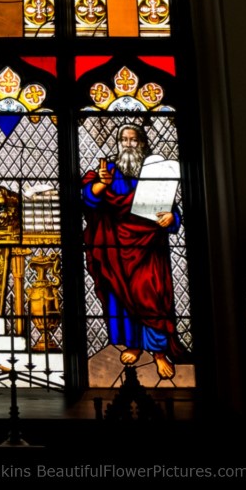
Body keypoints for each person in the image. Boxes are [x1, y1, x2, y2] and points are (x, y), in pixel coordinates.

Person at [82, 124, 187, 380]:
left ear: (142, 144)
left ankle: (159, 352)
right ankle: (134, 345)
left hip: (150, 247)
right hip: (115, 248)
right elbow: (86, 197)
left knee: (152, 295)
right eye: (124, 140)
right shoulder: (109, 172)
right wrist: (100, 185)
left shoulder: (156, 174)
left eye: (134, 140)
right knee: (121, 297)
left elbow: (172, 210)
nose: (128, 144)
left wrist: (170, 218)